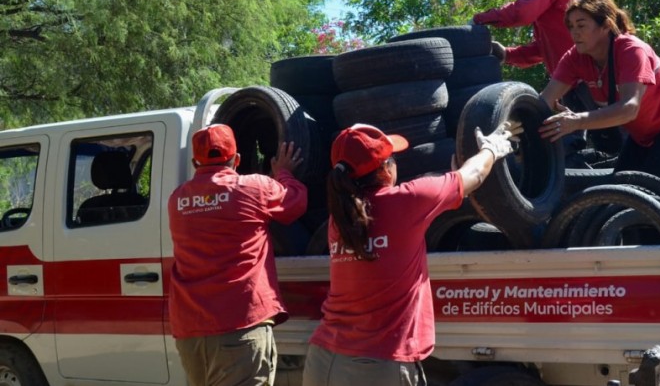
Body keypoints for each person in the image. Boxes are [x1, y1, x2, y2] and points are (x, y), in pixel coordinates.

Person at [302, 122, 520, 386]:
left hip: (323, 358)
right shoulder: (409, 200)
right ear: (385, 169)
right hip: (375, 366)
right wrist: (491, 149)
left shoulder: (341, 218)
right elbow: (473, 175)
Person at [168, 124, 308, 386]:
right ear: (238, 159)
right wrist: (284, 174)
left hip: (190, 333)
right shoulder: (253, 188)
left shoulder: (177, 200)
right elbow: (296, 202)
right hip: (238, 327)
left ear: (194, 161)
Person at [539, 0, 660, 181]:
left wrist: (576, 121)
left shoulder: (631, 50)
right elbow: (544, 100)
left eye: (581, 25)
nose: (574, 32)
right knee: (619, 186)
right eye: (571, 26)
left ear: (606, 25)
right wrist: (511, 128)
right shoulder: (574, 57)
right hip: (642, 130)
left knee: (647, 188)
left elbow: (628, 109)